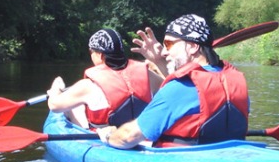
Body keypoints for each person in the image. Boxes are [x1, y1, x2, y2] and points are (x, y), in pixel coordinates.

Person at [97, 14, 249, 148]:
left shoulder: (179, 88)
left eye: (169, 44)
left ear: (192, 46)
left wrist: (109, 136)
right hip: (227, 155)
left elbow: (128, 137)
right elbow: (193, 95)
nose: (164, 52)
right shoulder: (233, 82)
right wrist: (159, 62)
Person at [47, 28, 162, 128]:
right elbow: (168, 86)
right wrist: (160, 61)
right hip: (141, 136)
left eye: (91, 52)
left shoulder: (88, 85)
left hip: (107, 140)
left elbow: (54, 106)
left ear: (100, 55)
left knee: (73, 108)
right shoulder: (148, 75)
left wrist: (55, 90)